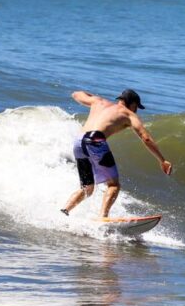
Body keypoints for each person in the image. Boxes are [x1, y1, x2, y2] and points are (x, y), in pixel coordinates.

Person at [60, 88, 173, 219]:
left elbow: (76, 94)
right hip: (95, 140)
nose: (136, 110)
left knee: (87, 188)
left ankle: (64, 210)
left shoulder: (98, 102)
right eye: (136, 107)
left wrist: (95, 97)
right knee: (113, 185)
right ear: (132, 103)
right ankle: (103, 217)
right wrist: (162, 160)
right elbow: (146, 138)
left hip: (79, 141)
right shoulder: (128, 114)